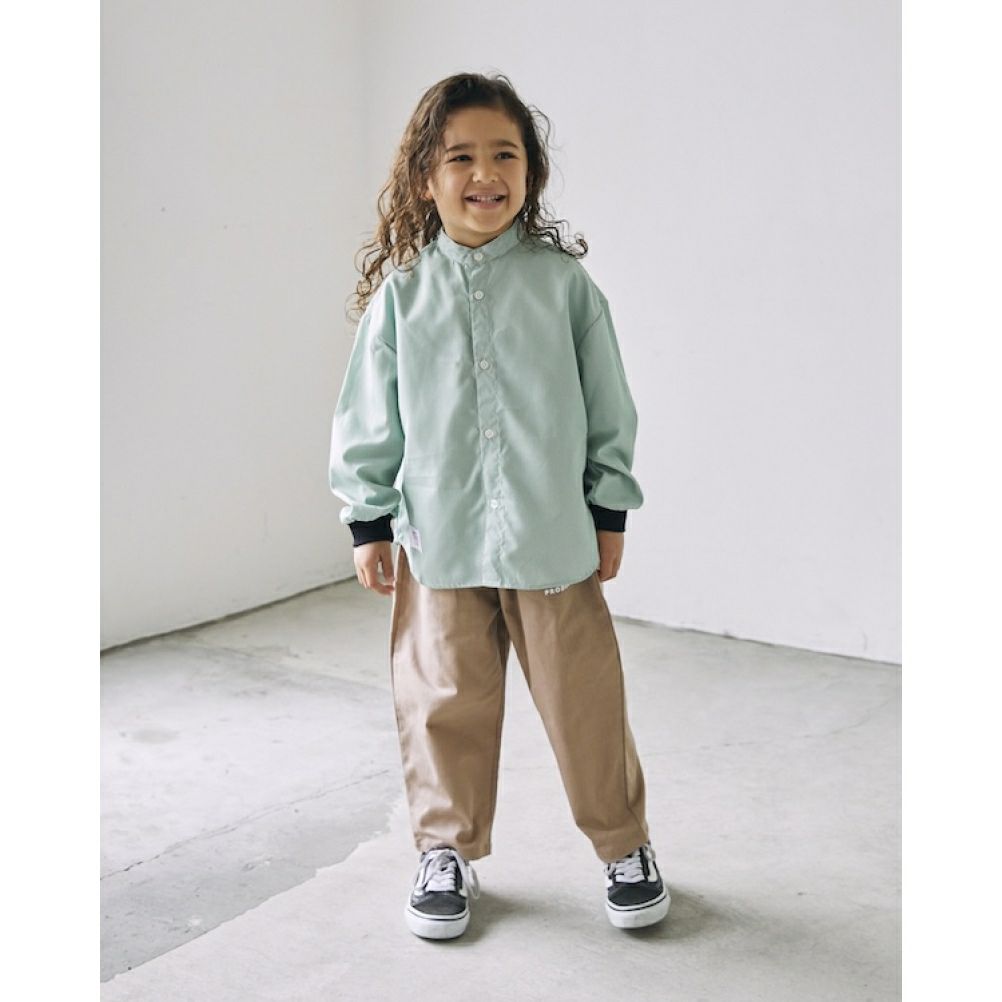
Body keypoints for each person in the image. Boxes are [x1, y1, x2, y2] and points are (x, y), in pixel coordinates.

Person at [328, 72, 669, 939]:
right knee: (442, 704)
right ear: (425, 179)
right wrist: (368, 521)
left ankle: (623, 845)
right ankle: (445, 851)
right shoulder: (403, 297)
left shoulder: (564, 287)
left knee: (584, 701)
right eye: (461, 157)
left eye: (505, 155)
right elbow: (368, 419)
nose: (486, 173)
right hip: (438, 542)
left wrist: (609, 511)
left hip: (552, 541)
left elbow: (609, 406)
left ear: (531, 172)